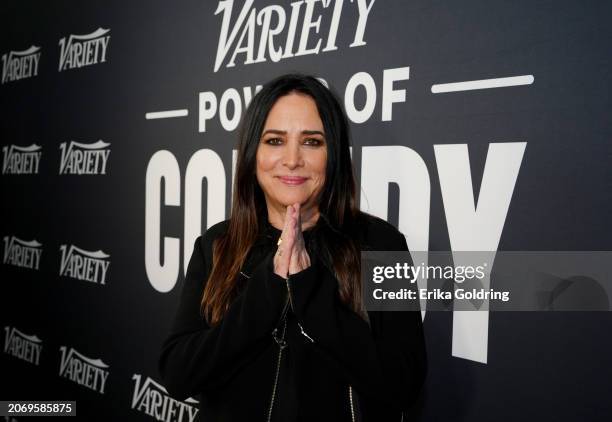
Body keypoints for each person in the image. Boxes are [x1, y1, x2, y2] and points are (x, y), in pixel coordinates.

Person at [158, 73, 427, 421]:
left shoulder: (382, 244)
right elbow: (179, 375)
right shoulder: (217, 244)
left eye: (312, 142)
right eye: (275, 140)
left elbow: (403, 385)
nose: (292, 159)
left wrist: (311, 294)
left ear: (334, 155)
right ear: (253, 153)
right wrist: (267, 292)